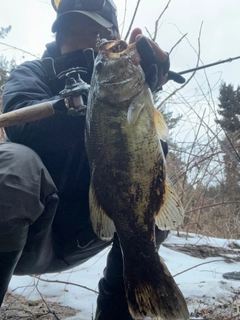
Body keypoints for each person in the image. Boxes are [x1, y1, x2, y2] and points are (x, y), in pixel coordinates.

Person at [0, 0, 184, 319]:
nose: (78, 38)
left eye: (93, 31)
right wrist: (90, 108)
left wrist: (145, 89)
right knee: (12, 164)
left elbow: (148, 159)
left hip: (97, 233)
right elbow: (22, 128)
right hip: (28, 239)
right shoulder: (33, 73)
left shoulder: (124, 89)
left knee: (148, 193)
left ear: (110, 35)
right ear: (57, 35)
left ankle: (124, 302)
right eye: (70, 30)